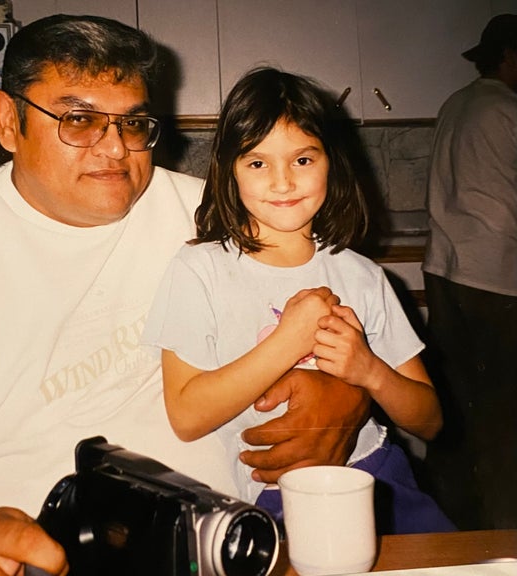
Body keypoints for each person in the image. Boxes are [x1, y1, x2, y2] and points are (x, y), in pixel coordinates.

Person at [0, 15, 370, 576]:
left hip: (247, 548)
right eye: (78, 120)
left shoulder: (218, 217)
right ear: (8, 121)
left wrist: (350, 394)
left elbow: (336, 310)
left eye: (133, 123)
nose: (116, 149)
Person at [143, 67, 456, 535]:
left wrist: (368, 369)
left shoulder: (364, 276)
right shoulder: (199, 270)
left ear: (332, 161)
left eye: (303, 160)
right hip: (274, 496)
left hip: (380, 476)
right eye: (257, 163)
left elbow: (429, 420)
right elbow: (186, 416)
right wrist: (289, 340)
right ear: (229, 169)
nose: (283, 183)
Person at [422, 14, 517, 530]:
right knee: (503, 417)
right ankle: (505, 531)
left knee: (455, 410)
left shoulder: (455, 103)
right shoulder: (508, 109)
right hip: (499, 279)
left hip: (447, 271)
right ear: (509, 57)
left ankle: (454, 528)